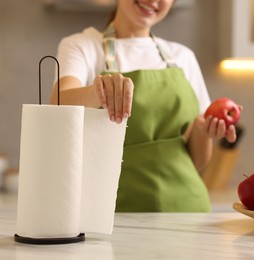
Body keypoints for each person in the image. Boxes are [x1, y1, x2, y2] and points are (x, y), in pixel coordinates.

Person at [50, 0, 238, 212]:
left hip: (187, 211)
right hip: (113, 212)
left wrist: (203, 133)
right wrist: (98, 91)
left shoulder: (182, 57)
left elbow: (198, 162)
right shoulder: (83, 46)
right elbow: (59, 103)